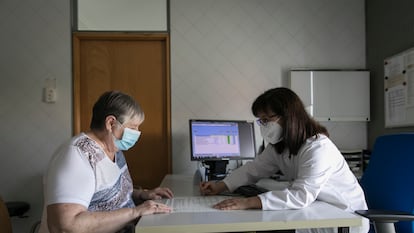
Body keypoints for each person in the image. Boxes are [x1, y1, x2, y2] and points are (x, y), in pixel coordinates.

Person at [200, 87, 369, 233]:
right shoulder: (279, 146)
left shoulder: (318, 148)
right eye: (261, 121)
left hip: (344, 218)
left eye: (267, 120)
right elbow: (254, 168)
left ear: (288, 116)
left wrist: (248, 202)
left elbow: (301, 195)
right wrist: (219, 186)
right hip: (314, 210)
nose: (263, 126)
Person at [39, 91, 173, 233]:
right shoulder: (77, 155)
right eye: (133, 128)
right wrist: (135, 212)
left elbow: (106, 193)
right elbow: (64, 226)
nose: (137, 133)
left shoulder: (114, 149)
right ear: (110, 123)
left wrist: (141, 194)